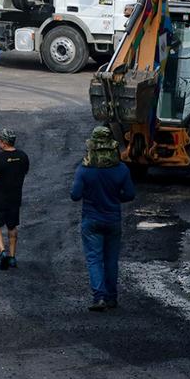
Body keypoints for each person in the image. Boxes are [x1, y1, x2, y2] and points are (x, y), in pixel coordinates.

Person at [70, 125, 136, 312]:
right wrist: (115, 198)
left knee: (94, 259)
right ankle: (112, 298)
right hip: (113, 219)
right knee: (111, 260)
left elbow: (75, 195)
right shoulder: (121, 169)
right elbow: (130, 194)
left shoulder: (84, 170)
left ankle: (99, 297)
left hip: (91, 219)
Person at [0, 129, 30, 270]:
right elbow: (24, 171)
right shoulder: (23, 156)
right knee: (12, 226)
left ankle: (3, 252)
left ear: (4, 143)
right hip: (15, 198)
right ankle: (12, 257)